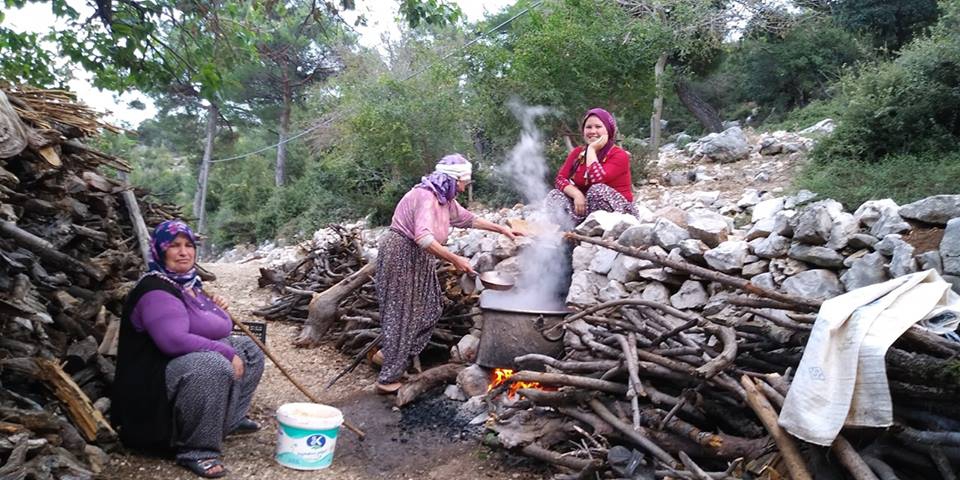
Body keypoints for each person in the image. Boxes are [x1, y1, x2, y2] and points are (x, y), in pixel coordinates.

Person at [112, 220, 264, 479]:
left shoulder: (188, 284)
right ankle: (197, 450)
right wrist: (225, 353)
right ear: (160, 250)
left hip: (176, 367)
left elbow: (218, 328)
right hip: (152, 386)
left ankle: (229, 420)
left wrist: (216, 306)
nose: (184, 252)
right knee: (211, 365)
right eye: (174, 246)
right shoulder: (155, 289)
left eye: (188, 245)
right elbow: (173, 341)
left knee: (248, 348)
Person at [374, 154, 522, 394]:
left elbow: (467, 219)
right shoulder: (426, 196)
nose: (465, 187)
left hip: (418, 257)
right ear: (453, 178)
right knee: (401, 313)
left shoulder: (445, 198)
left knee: (431, 307)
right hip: (401, 253)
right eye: (464, 182)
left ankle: (388, 354)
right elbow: (422, 238)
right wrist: (456, 259)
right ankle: (387, 379)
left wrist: (502, 229)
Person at [545, 107, 638, 227]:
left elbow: (597, 179)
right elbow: (560, 179)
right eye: (588, 127)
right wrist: (577, 194)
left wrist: (592, 150)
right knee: (554, 195)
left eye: (598, 127)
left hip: (618, 212)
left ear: (609, 130)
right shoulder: (578, 152)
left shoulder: (619, 155)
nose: (593, 131)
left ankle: (597, 230)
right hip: (585, 207)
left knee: (597, 191)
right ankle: (571, 231)